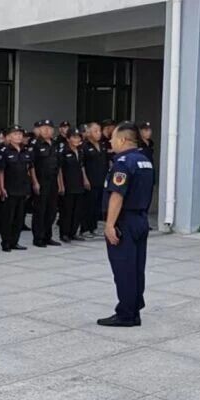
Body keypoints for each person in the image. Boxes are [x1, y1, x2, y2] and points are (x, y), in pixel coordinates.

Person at [99, 122, 154, 327]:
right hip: (141, 219)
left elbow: (117, 196)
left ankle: (126, 314)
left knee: (123, 268)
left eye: (113, 138)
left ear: (122, 140)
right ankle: (134, 309)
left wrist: (109, 225)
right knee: (137, 267)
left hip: (125, 221)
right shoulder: (145, 160)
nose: (110, 142)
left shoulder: (123, 163)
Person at [0, 125, 33, 251]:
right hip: (9, 188)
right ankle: (6, 242)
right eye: (15, 134)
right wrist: (2, 187)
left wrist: (29, 186)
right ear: (9, 137)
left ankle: (14, 242)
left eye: (20, 134)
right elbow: (1, 171)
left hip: (22, 188)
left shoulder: (25, 151)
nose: (18, 136)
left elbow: (28, 169)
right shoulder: (4, 151)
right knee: (8, 217)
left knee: (19, 218)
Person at [30, 119, 62, 247]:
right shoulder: (35, 144)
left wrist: (60, 183)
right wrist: (35, 182)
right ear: (39, 130)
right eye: (44, 128)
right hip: (41, 180)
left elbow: (58, 165)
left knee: (52, 210)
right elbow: (31, 165)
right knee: (40, 210)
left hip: (53, 180)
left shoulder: (55, 144)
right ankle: (38, 238)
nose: (47, 130)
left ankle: (48, 236)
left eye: (49, 128)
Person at [58, 128, 90, 242]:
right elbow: (59, 169)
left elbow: (81, 166)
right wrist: (61, 185)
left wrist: (85, 180)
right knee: (67, 211)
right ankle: (64, 233)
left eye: (78, 137)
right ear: (68, 139)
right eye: (74, 137)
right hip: (68, 184)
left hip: (78, 183)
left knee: (77, 210)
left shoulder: (80, 151)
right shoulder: (63, 151)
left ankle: (73, 232)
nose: (77, 139)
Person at [81, 120, 108, 236]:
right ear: (89, 133)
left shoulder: (102, 145)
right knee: (88, 205)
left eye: (99, 131)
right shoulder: (84, 146)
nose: (98, 133)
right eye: (95, 131)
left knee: (97, 205)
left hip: (100, 179)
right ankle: (85, 229)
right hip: (90, 180)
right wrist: (85, 179)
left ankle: (93, 227)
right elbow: (81, 164)